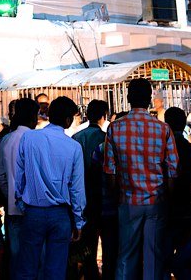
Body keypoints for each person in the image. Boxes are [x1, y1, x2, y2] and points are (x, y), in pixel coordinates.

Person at [104, 78, 178, 280]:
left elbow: (109, 172)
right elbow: (173, 171)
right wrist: (165, 198)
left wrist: (117, 196)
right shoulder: (163, 129)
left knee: (126, 255)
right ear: (150, 99)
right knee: (154, 256)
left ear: (128, 98)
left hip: (127, 201)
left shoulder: (114, 128)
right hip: (156, 201)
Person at [15, 96, 85, 280]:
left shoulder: (29, 138)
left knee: (27, 269)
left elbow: (20, 174)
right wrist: (78, 221)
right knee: (55, 271)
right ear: (69, 120)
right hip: (60, 215)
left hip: (33, 211)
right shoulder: (74, 147)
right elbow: (77, 189)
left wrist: (21, 202)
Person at [0, 97, 38, 271]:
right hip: (35, 208)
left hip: (13, 208)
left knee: (17, 257)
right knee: (35, 257)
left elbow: (1, 176)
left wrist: (11, 195)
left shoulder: (6, 140)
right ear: (32, 117)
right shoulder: (35, 139)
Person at [72, 99, 109, 280]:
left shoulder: (77, 137)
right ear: (104, 116)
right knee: (108, 243)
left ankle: (90, 274)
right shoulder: (106, 138)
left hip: (81, 196)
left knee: (88, 244)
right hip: (102, 197)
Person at [165, 107, 191, 279]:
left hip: (164, 206)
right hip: (186, 205)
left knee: (163, 255)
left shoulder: (161, 149)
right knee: (184, 255)